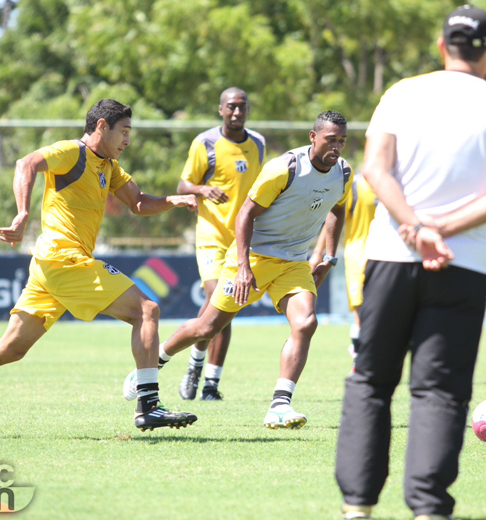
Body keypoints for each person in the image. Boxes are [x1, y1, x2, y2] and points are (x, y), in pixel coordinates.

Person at [335, 5, 486, 520]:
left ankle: (356, 507)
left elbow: (375, 169)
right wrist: (441, 230)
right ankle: (428, 510)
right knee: (440, 392)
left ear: (443, 46)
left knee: (371, 381)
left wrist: (416, 227)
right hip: (462, 265)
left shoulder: (402, 93)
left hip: (390, 256)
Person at [0, 99, 199, 433]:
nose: (128, 140)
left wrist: (173, 200)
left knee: (10, 348)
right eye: (124, 131)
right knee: (146, 310)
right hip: (64, 259)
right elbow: (26, 163)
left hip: (49, 266)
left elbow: (138, 202)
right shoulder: (72, 152)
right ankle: (149, 406)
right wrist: (22, 214)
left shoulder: (108, 166)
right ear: (102, 126)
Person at [137, 110, 352, 429]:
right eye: (331, 140)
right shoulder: (285, 168)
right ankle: (155, 361)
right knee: (207, 327)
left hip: (293, 262)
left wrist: (329, 257)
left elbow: (337, 208)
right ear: (313, 137)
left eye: (342, 141)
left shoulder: (343, 172)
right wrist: (242, 267)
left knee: (306, 323)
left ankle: (279, 405)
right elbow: (245, 215)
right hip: (255, 257)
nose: (337, 147)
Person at [123, 88, 265, 402]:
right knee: (217, 298)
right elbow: (183, 184)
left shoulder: (258, 143)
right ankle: (195, 368)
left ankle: (210, 384)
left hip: (241, 238)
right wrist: (203, 189)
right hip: (212, 235)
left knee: (227, 307)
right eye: (231, 106)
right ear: (220, 109)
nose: (237, 112)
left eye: (242, 107)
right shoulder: (206, 142)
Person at [309, 173, 375, 367]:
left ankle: (363, 353)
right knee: (362, 314)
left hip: (389, 257)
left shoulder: (396, 183)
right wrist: (318, 253)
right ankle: (359, 363)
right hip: (358, 258)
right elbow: (333, 218)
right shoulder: (354, 186)